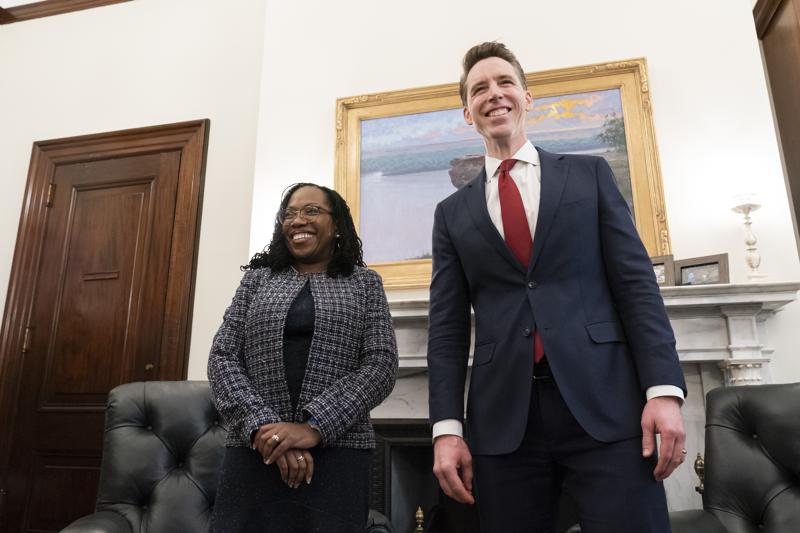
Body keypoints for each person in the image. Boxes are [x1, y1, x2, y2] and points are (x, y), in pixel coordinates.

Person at [427, 42, 687, 533]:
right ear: (467, 112)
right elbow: (446, 331)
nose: (493, 93)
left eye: (504, 82)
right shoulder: (451, 214)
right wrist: (446, 429)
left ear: (528, 98)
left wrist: (664, 391)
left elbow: (636, 288)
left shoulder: (589, 176)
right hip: (504, 424)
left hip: (606, 406)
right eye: (479, 88)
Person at [208, 183, 398, 533]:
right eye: (290, 214)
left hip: (338, 453)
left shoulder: (365, 283)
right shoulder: (256, 281)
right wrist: (266, 429)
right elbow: (222, 357)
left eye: (311, 211)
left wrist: (313, 428)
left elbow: (381, 364)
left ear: (337, 224)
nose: (298, 220)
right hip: (255, 449)